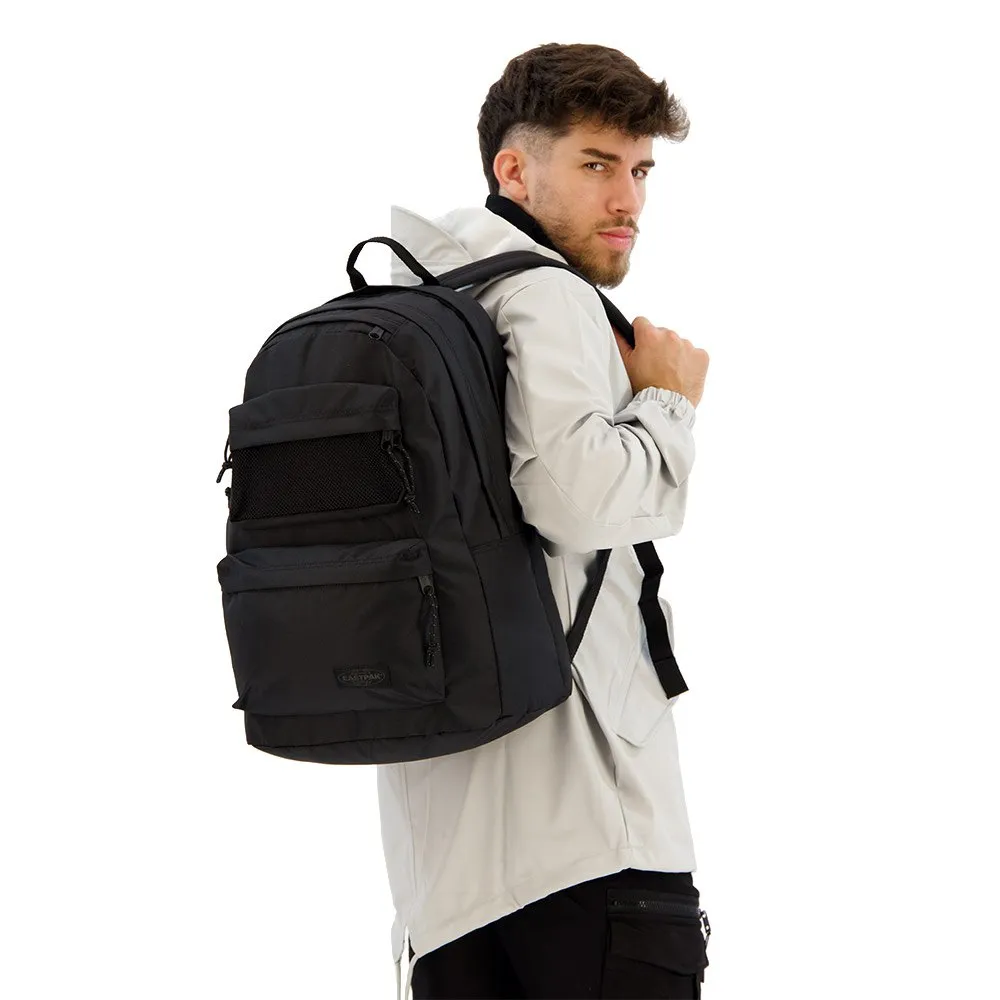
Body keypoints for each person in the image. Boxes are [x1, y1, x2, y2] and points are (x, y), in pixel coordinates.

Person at [377, 41, 712, 999]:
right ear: (513, 170)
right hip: (594, 849)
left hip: (442, 882)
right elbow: (576, 500)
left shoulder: (420, 301)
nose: (628, 200)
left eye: (640, 170)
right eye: (597, 164)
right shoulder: (549, 295)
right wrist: (668, 402)